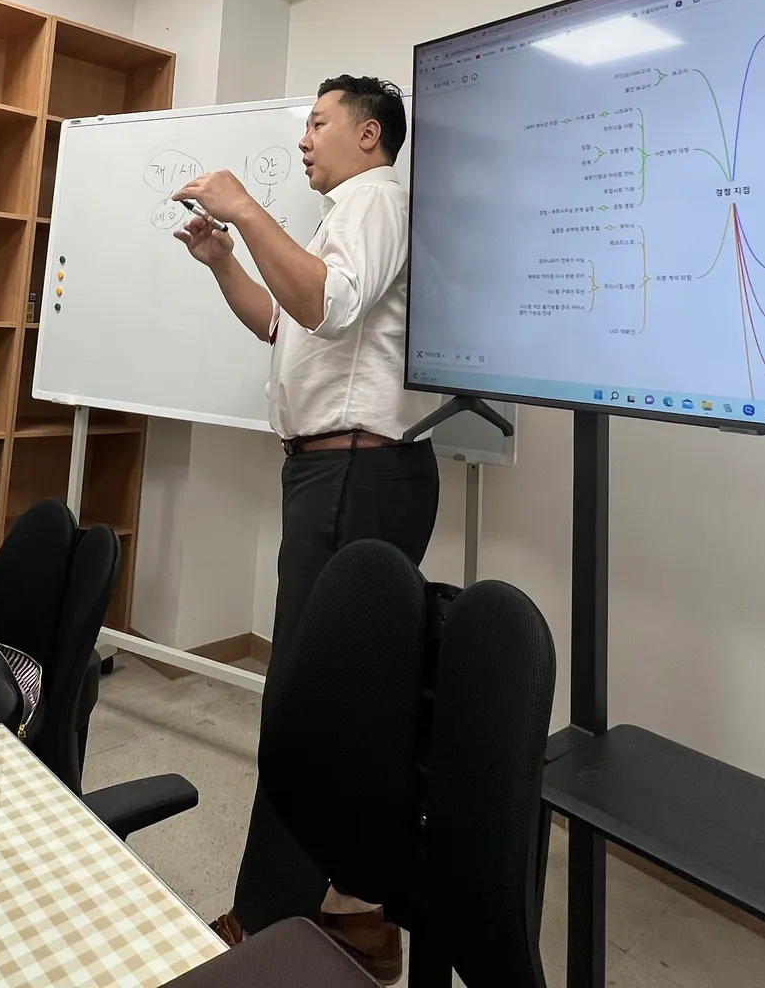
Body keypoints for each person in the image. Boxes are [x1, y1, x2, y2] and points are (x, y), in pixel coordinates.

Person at [172, 74, 437, 983]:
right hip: (334, 473)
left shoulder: (378, 199)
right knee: (340, 701)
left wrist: (244, 208)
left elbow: (328, 304)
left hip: (358, 473)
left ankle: (273, 918)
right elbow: (285, 325)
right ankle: (357, 912)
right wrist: (224, 262)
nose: (304, 139)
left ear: (370, 135)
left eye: (319, 122)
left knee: (305, 702)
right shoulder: (341, 219)